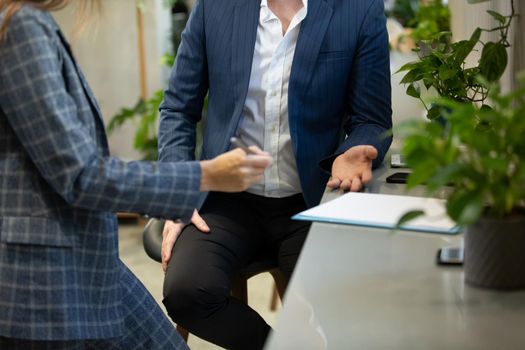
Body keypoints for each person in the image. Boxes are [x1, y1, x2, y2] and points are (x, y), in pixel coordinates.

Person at [0, 1, 272, 349]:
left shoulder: (29, 24)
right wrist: (206, 175)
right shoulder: (20, 27)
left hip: (86, 253)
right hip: (43, 273)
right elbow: (82, 175)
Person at [158, 0, 392, 349]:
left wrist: (354, 151)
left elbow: (371, 119)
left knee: (348, 314)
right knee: (186, 294)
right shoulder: (215, 7)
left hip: (312, 201)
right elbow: (178, 107)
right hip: (227, 202)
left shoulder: (359, 9)